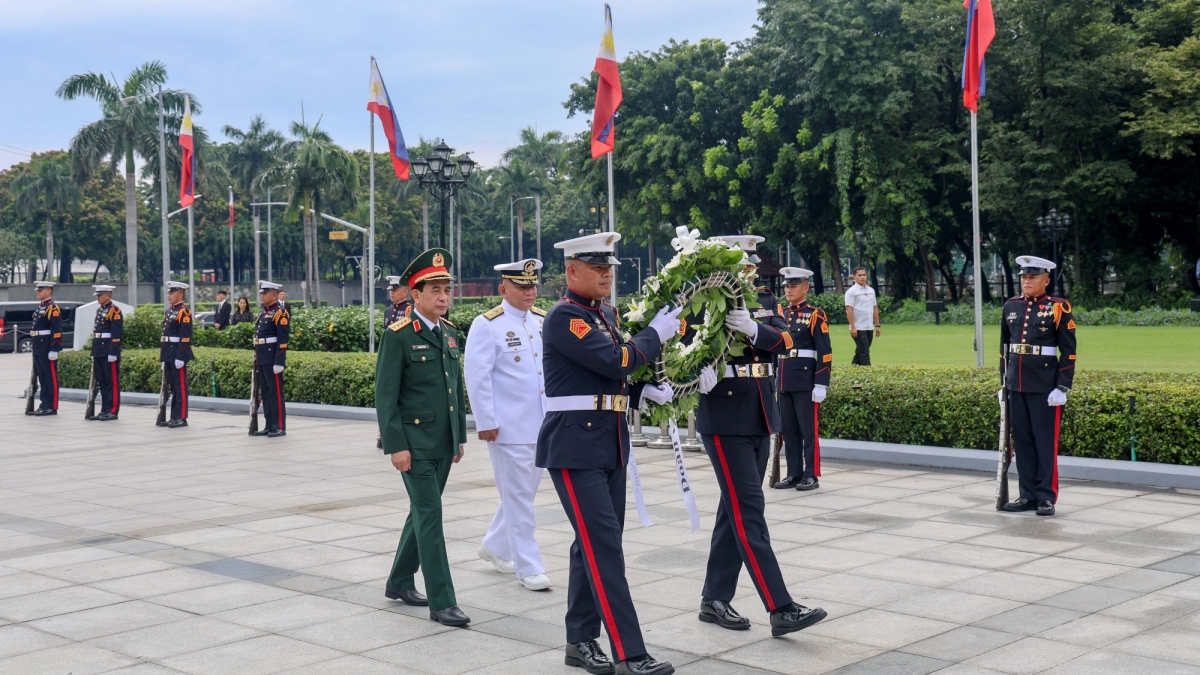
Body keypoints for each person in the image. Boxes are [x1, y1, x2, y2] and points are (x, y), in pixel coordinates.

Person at [538, 232, 681, 675]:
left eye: (609, 268)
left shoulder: (604, 315)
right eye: (596, 267)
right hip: (575, 447)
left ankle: (580, 642)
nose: (606, 274)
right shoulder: (566, 317)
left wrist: (642, 392)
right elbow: (616, 361)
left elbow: (608, 380)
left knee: (594, 545)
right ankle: (630, 653)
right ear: (571, 270)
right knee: (604, 550)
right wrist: (654, 335)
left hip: (607, 442)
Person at [691, 241, 828, 638]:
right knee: (749, 511)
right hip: (724, 415)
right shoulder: (702, 299)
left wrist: (754, 328)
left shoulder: (764, 300)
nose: (751, 272)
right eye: (743, 265)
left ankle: (713, 599)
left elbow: (785, 341)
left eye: (751, 266)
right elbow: (679, 347)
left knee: (732, 511)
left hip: (760, 413)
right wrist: (693, 372)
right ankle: (780, 606)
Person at [376, 248, 471, 628]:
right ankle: (442, 601)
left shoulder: (449, 334)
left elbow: (454, 390)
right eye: (435, 290)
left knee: (422, 512)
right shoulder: (398, 336)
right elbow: (386, 397)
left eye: (446, 289)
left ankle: (399, 580)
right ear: (415, 295)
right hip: (413, 446)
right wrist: (396, 445)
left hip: (442, 443)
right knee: (431, 515)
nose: (443, 296)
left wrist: (459, 436)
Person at [465, 259, 552, 592]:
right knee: (518, 498)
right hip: (508, 428)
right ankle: (529, 567)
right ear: (503, 289)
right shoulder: (487, 325)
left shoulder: (544, 321)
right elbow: (477, 376)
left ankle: (495, 546)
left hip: (542, 423)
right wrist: (486, 421)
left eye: (532, 285)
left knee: (522, 495)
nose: (529, 291)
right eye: (521, 286)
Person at [1000, 256, 1076, 517]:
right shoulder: (1011, 306)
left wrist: (1062, 387)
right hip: (1017, 385)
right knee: (1022, 442)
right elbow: (1005, 349)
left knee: (1045, 443)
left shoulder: (1058, 307)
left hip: (1045, 387)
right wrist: (1004, 382)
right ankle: (1028, 495)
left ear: (1046, 280)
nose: (1027, 281)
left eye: (1032, 277)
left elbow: (1069, 351)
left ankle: (1045, 496)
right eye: (1023, 277)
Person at [776, 268, 833, 491]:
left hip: (805, 379)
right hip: (784, 377)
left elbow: (825, 351)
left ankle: (811, 474)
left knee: (808, 430)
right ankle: (793, 473)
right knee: (788, 430)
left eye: (793, 285)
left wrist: (821, 382)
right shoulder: (779, 313)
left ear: (805, 288)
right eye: (787, 286)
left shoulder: (814, 314)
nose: (788, 289)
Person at [252, 281, 290, 438]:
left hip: (272, 357)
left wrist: (279, 361)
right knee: (266, 393)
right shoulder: (263, 313)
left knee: (275, 393)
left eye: (265, 293)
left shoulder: (280, 313)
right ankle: (269, 425)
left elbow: (282, 339)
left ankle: (279, 426)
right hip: (262, 357)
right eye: (261, 293)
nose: (261, 295)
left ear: (274, 295)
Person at [158, 282, 194, 428]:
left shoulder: (184, 312)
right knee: (172, 386)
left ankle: (181, 416)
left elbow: (185, 336)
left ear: (180, 294)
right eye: (169, 292)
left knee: (180, 386)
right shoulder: (169, 311)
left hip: (178, 353)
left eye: (172, 293)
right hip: (168, 352)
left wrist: (180, 355)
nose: (169, 295)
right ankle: (174, 416)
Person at [26, 281, 61, 416]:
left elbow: (56, 330)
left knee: (50, 377)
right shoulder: (40, 307)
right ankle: (44, 404)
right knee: (42, 377)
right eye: (37, 290)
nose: (38, 292)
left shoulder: (52, 308)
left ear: (49, 291)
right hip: (38, 345)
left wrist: (54, 349)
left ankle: (51, 406)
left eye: (41, 290)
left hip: (47, 346)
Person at [89, 285, 123, 421]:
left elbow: (117, 333)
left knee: (112, 382)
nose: (97, 297)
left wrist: (113, 351)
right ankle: (104, 409)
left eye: (100, 295)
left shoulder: (114, 310)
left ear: (108, 295)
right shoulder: (100, 310)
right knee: (102, 382)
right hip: (99, 350)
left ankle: (113, 410)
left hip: (109, 351)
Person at [844, 267, 880, 365]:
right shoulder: (851, 292)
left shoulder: (871, 291)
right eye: (859, 275)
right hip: (858, 327)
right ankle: (867, 375)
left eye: (864, 275)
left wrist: (877, 325)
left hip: (869, 326)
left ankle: (852, 371)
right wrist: (853, 327)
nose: (862, 277)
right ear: (854, 277)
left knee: (861, 351)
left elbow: (874, 308)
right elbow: (849, 309)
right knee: (865, 353)